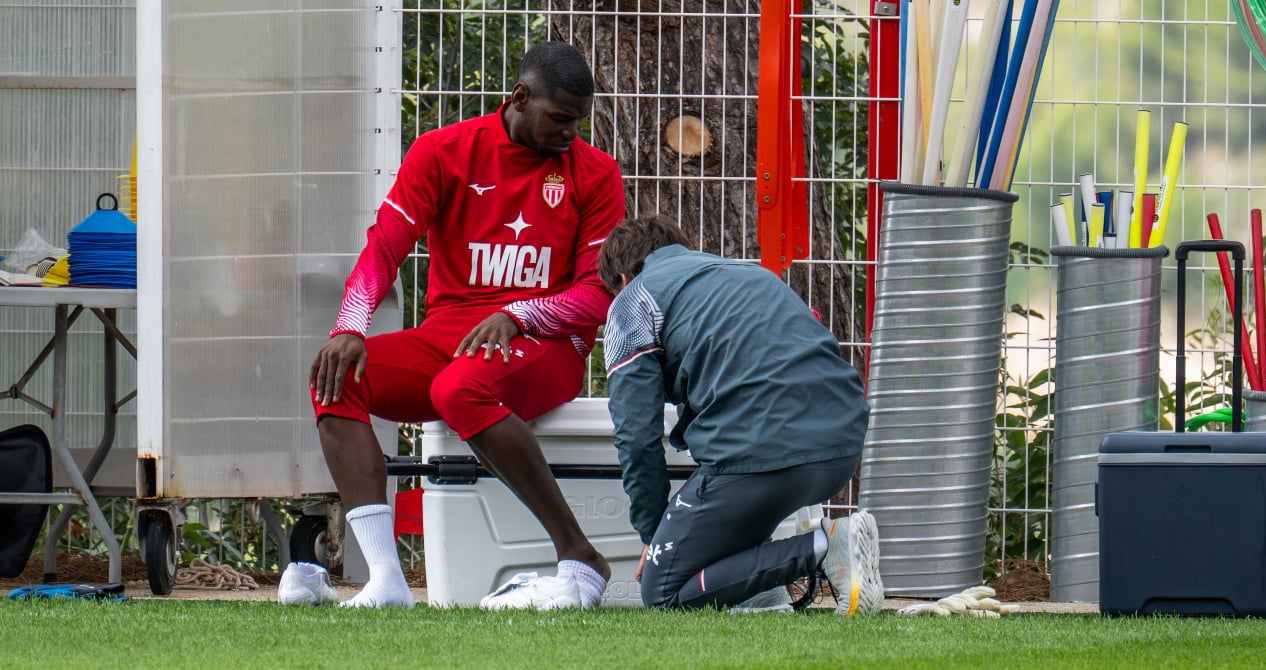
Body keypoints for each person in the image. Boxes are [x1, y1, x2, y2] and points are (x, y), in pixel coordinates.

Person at [307, 41, 625, 609]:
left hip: (546, 343)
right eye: (559, 118)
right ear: (520, 97)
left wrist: (520, 314)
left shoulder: (596, 173)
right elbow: (386, 245)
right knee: (335, 376)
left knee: (459, 387)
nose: (572, 133)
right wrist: (351, 324)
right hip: (449, 335)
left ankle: (580, 557)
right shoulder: (443, 151)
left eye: (579, 120)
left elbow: (596, 296)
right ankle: (385, 581)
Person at [597, 215, 882, 614]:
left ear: (622, 280)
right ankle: (760, 596)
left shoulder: (632, 303)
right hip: (842, 448)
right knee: (720, 524)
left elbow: (636, 437)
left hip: (759, 453)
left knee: (663, 592)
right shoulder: (748, 274)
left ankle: (825, 547)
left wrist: (654, 533)